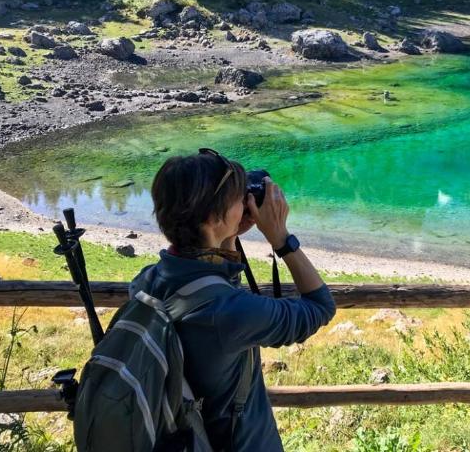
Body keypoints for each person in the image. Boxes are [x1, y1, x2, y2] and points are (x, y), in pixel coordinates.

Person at [130, 150, 336, 451]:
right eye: (238, 200)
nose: (246, 204)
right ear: (213, 218)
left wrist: (225, 236)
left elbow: (209, 284)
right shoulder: (230, 314)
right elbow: (320, 306)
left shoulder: (147, 281)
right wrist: (281, 238)